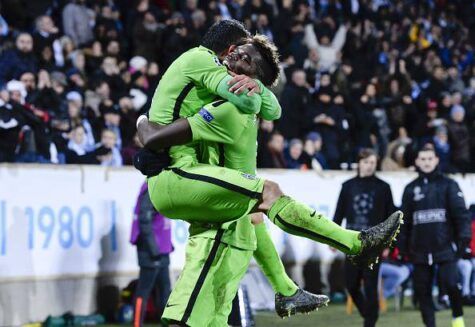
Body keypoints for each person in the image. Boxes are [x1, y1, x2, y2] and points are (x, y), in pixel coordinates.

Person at [135, 20, 326, 324]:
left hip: (220, 185)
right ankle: (285, 288)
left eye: (244, 57)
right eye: (237, 52)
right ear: (228, 49)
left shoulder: (225, 88)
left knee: (227, 286)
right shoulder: (207, 68)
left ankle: (285, 289)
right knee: (211, 292)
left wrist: (258, 85)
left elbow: (273, 109)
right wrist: (144, 131)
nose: (233, 59)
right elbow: (163, 130)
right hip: (210, 185)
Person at [399, 144, 472, 327]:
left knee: (451, 284)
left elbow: (461, 216)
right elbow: (404, 222)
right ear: (417, 162)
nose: (426, 162)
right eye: (423, 159)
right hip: (420, 251)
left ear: (436, 160)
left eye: (430, 159)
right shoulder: (410, 189)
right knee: (422, 291)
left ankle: (457, 317)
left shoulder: (449, 184)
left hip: (445, 249)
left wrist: (462, 242)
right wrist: (402, 246)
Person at [334, 148, 395, 327]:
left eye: (372, 163)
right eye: (366, 162)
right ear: (359, 163)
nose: (369, 166)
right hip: (351, 242)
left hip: (374, 244)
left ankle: (370, 322)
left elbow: (390, 217)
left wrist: (387, 245)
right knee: (351, 284)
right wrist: (332, 239)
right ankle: (369, 314)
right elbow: (339, 214)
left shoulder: (384, 187)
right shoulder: (347, 186)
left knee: (370, 286)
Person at [130, 182, 172, 327]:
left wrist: (168, 244)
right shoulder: (152, 189)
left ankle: (165, 323)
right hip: (151, 251)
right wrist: (153, 248)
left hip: (162, 250)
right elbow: (144, 219)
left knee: (165, 292)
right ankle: (137, 324)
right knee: (144, 291)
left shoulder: (159, 186)